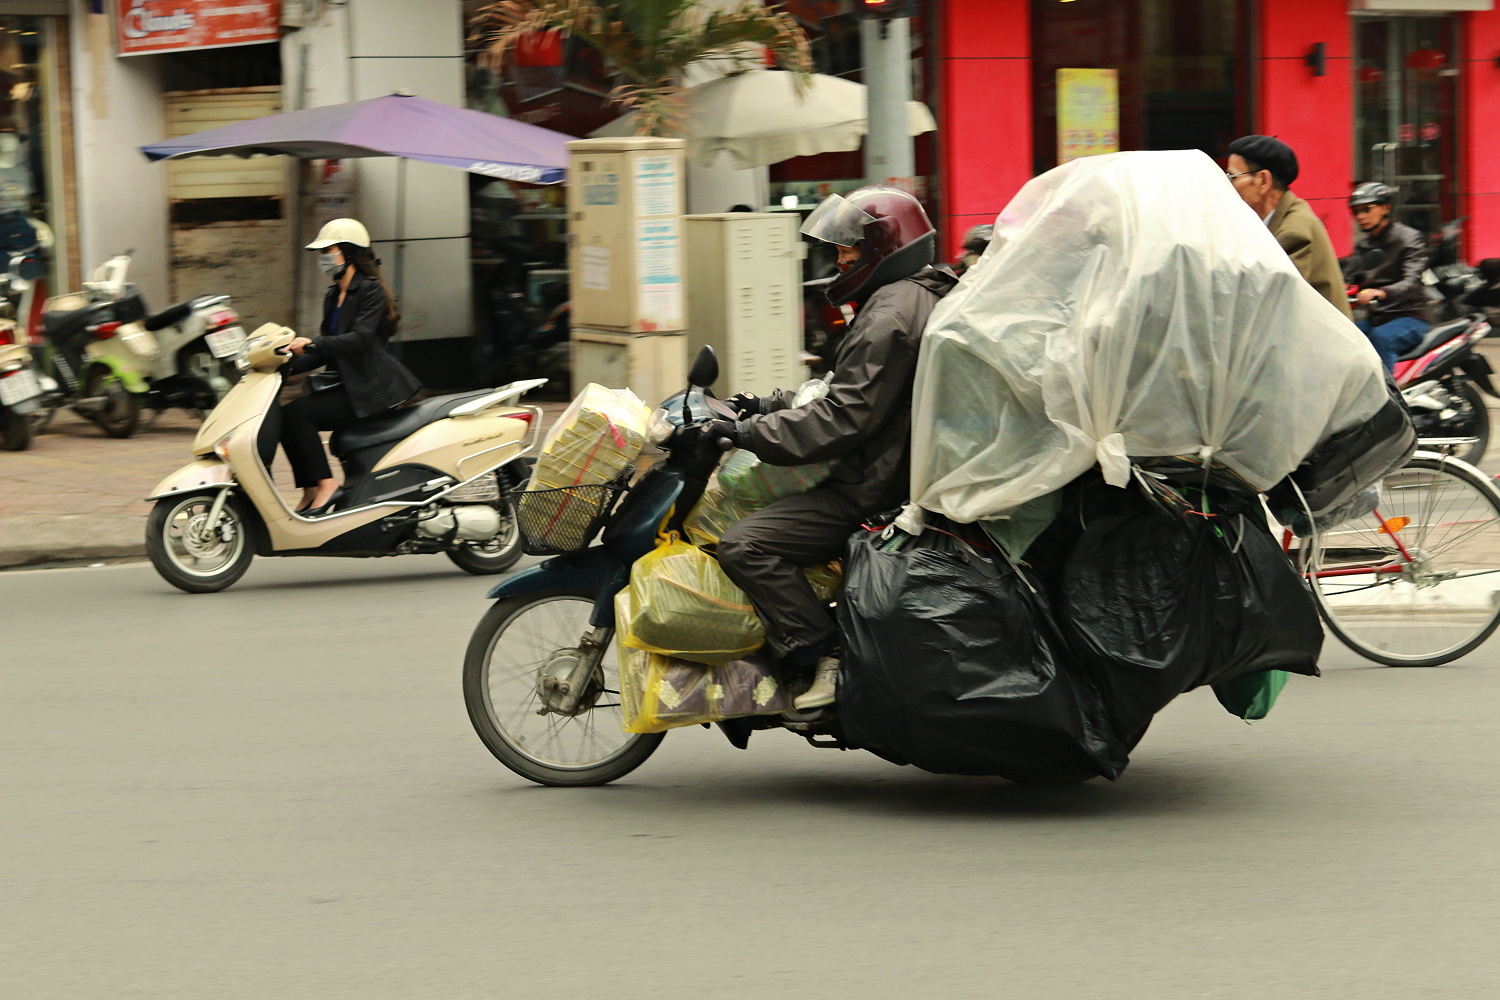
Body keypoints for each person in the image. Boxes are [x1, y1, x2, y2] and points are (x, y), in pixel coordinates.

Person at [684, 187, 957, 710]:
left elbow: (844, 417)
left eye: (849, 249)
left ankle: (823, 655)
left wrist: (748, 434)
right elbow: (845, 391)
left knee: (746, 543)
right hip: (888, 467)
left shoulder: (889, 315)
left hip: (871, 485)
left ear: (885, 247)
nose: (840, 260)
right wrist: (764, 404)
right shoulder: (913, 295)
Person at [280, 218, 421, 516]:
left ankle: (327, 484)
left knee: (297, 414)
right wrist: (284, 365)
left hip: (372, 389)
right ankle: (311, 488)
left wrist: (312, 344)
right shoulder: (333, 295)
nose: (323, 259)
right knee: (283, 416)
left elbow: (359, 339)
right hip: (349, 385)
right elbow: (325, 350)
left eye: (328, 251)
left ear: (348, 251)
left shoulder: (371, 291)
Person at [1225, 135, 1351, 319]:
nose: (1228, 185)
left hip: (1318, 346)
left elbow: (1270, 299)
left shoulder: (1294, 230)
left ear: (1262, 180)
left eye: (1232, 177)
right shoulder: (1271, 221)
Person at [1341, 182, 1431, 371]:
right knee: (1343, 338)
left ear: (1386, 208)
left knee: (1382, 338)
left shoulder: (1409, 238)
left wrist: (1381, 293)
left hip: (1409, 317)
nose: (1361, 216)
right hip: (1378, 318)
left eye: (1367, 209)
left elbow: (1412, 282)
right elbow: (1349, 274)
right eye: (1356, 212)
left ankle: (1388, 398)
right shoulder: (1364, 245)